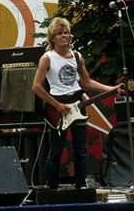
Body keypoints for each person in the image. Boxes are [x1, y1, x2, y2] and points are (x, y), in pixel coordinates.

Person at [32, 17, 123, 189]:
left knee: (81, 150)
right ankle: (51, 188)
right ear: (52, 38)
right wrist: (57, 105)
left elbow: (87, 83)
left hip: (77, 106)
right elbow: (36, 87)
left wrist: (112, 89)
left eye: (66, 32)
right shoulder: (47, 58)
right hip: (57, 108)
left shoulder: (77, 56)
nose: (64, 36)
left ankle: (80, 186)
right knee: (56, 151)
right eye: (59, 33)